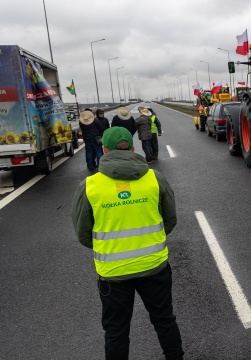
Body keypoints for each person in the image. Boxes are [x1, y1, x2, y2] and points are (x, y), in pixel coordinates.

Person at [70, 126, 183, 359]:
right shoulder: (155, 178)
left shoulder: (89, 186)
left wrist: (111, 247)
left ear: (104, 150)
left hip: (113, 272)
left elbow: (83, 235)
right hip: (154, 265)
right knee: (164, 320)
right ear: (132, 149)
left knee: (116, 331)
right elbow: (170, 220)